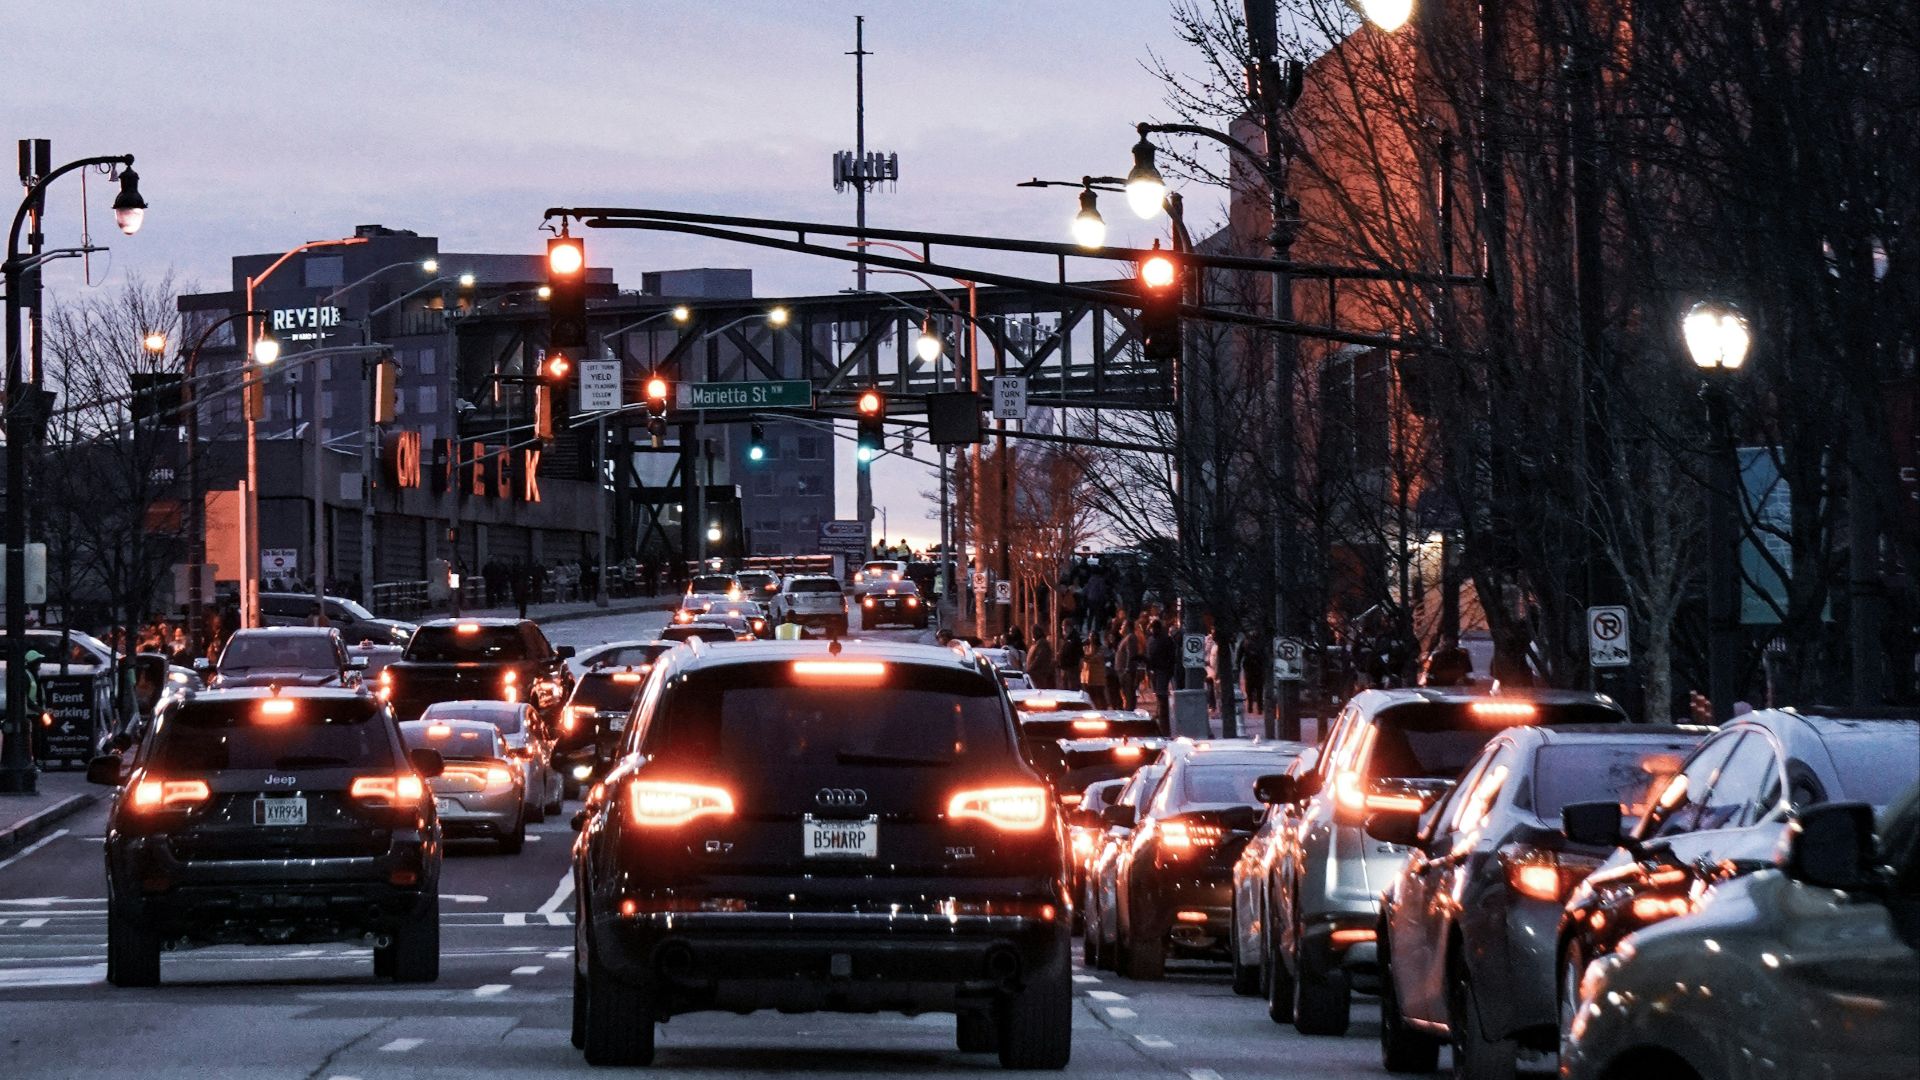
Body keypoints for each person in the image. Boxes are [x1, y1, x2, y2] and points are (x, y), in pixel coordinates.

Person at [1144, 618, 1177, 733]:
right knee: (1158, 694)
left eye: (1154, 628)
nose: (1152, 630)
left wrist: (1168, 669)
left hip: (1163, 670)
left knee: (1162, 695)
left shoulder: (1166, 640)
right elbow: (1148, 654)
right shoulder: (1151, 640)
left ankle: (1164, 725)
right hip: (1154, 670)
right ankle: (1160, 716)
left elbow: (1171, 656)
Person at [1081, 630, 1110, 708]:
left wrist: (1086, 657)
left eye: (1093, 636)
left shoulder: (1102, 648)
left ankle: (1103, 709)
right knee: (1091, 696)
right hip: (1087, 677)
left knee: (1100, 696)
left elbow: (1095, 658)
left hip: (1098, 678)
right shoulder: (1086, 648)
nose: (1091, 638)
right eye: (1090, 636)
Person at [1058, 628, 1084, 693]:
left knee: (1072, 687)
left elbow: (1080, 653)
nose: (1063, 631)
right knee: (1065, 686)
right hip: (1065, 667)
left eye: (1064, 628)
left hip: (1072, 667)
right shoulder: (1066, 639)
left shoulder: (1075, 638)